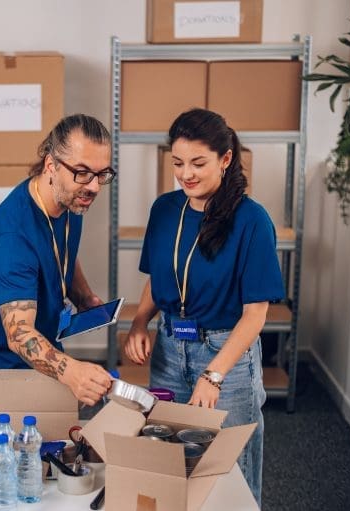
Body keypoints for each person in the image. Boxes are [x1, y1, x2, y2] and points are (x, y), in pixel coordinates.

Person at [124, 108, 283, 505]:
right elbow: (157, 280)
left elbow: (256, 314)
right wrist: (140, 322)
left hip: (225, 356)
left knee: (229, 471)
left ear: (225, 159)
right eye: (178, 163)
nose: (186, 174)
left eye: (198, 163)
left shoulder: (252, 221)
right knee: (170, 459)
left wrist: (213, 376)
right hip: (169, 351)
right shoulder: (164, 210)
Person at [0, 114, 115, 406]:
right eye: (83, 172)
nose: (93, 187)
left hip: (42, 350)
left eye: (102, 174)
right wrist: (74, 372)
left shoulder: (68, 199)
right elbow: (19, 335)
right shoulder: (12, 236)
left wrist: (83, 295)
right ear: (51, 165)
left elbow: (62, 251)